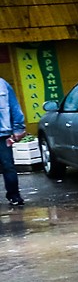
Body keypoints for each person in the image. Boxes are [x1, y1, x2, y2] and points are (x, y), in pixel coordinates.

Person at [0, 76, 26, 206]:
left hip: (2, 134)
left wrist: (18, 129)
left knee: (8, 166)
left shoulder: (2, 84)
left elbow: (14, 106)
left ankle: (14, 195)